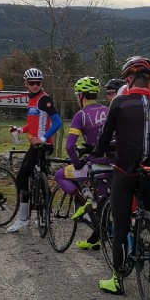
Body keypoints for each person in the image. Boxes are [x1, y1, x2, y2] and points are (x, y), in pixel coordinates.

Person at [93, 56, 150, 295]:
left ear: (130, 79)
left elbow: (106, 135)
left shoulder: (119, 102)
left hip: (125, 169)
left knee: (120, 224)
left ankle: (117, 279)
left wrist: (98, 151)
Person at [53, 76, 111, 250]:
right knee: (102, 205)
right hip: (113, 165)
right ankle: (96, 237)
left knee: (59, 175)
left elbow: (70, 146)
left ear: (80, 96)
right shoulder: (109, 110)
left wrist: (77, 163)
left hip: (94, 165)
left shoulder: (81, 115)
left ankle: (83, 201)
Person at [6, 68, 63, 233]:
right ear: (26, 83)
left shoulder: (44, 99)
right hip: (35, 144)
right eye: (32, 83)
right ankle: (46, 214)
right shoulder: (32, 100)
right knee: (39, 178)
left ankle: (23, 218)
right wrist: (19, 130)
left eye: (38, 83)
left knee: (21, 178)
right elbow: (32, 125)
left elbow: (57, 122)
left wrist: (43, 138)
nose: (35, 86)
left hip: (42, 145)